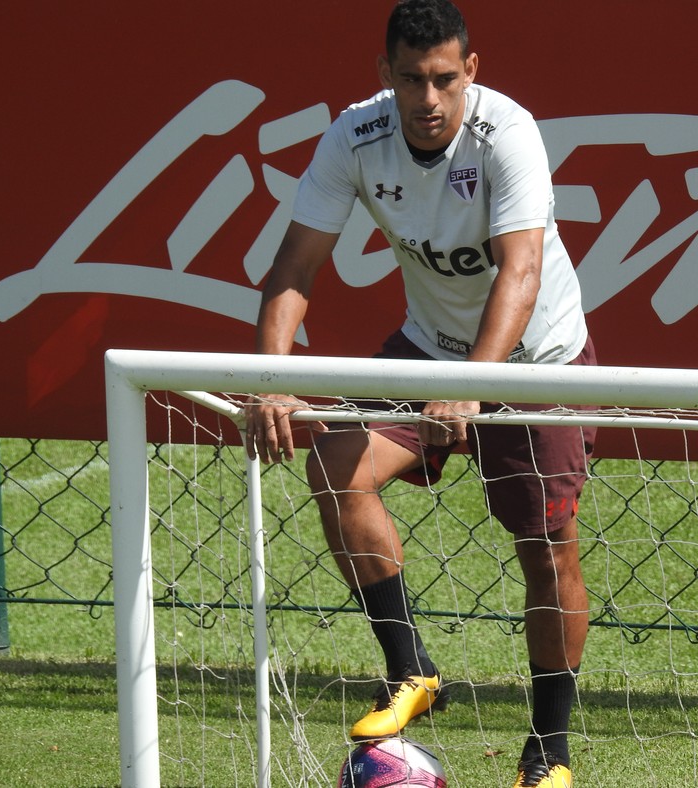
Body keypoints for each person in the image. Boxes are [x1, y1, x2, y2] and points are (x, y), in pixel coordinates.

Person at [246, 2, 596, 785]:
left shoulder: (508, 132)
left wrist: (466, 388)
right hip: (430, 351)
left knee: (546, 550)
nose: (428, 98)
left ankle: (549, 751)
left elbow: (522, 271)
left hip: (537, 361)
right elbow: (294, 268)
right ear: (385, 76)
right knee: (335, 464)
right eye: (412, 80)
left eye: (445, 79)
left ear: (471, 71)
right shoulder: (355, 135)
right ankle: (413, 671)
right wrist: (271, 381)